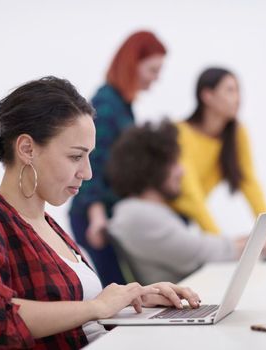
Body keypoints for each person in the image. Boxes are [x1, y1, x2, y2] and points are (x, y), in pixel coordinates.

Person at [0, 76, 200, 349]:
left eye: (89, 156)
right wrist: (97, 307)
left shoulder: (48, 224)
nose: (88, 172)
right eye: (75, 157)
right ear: (27, 149)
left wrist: (132, 299)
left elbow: (78, 317)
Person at [69, 30, 167, 286]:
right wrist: (97, 217)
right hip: (94, 217)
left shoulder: (123, 105)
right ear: (132, 64)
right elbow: (93, 163)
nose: (156, 79)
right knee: (117, 289)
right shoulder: (106, 104)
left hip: (108, 215)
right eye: (153, 70)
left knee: (125, 288)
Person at [107, 121, 256, 285]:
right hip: (184, 301)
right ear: (153, 166)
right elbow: (200, 253)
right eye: (174, 163)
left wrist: (252, 241)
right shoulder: (137, 214)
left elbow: (201, 248)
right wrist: (256, 244)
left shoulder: (144, 211)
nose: (182, 171)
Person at [170, 67, 266, 250]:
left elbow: (249, 183)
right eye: (230, 90)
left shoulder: (237, 134)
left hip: (185, 221)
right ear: (207, 95)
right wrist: (222, 246)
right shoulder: (181, 133)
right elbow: (191, 194)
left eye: (238, 90)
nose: (238, 98)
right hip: (164, 218)